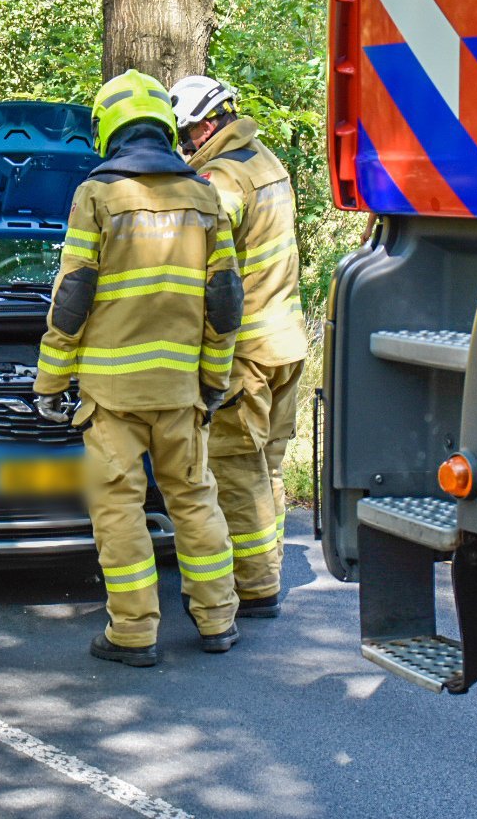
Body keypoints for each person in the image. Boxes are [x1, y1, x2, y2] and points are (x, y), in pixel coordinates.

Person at [33, 70, 245, 668]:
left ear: (109, 128)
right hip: (180, 388)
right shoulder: (203, 195)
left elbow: (73, 297)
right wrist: (213, 377)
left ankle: (133, 634)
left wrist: (50, 380)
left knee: (119, 509)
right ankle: (218, 620)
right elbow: (226, 300)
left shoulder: (97, 196)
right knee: (195, 500)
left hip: (112, 393)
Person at [169, 75, 308, 618]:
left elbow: (202, 257)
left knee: (235, 468)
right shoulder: (266, 161)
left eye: (184, 136)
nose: (183, 148)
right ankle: (265, 562)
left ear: (206, 124)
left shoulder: (221, 177)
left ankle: (253, 586)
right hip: (286, 340)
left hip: (246, 350)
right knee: (267, 465)